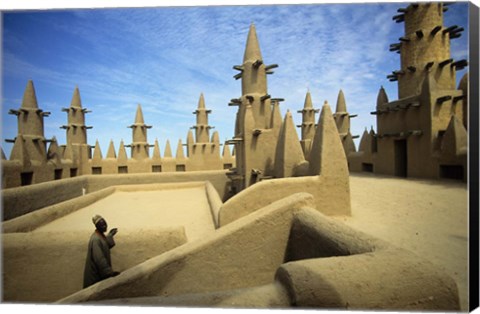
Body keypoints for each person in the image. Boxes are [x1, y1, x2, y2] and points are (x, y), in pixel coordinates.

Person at [83, 214, 120, 288]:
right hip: (95, 277)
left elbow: (105, 246)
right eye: (102, 225)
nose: (105, 226)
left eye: (105, 224)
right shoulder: (95, 239)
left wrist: (110, 235)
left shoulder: (100, 235)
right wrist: (109, 272)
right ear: (97, 226)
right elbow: (99, 259)